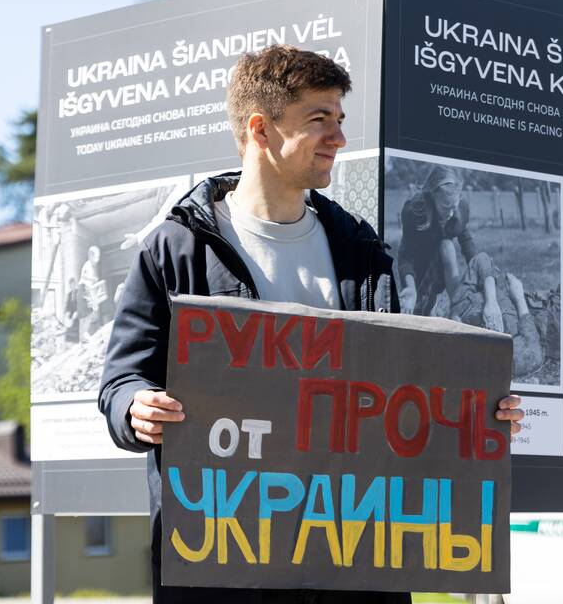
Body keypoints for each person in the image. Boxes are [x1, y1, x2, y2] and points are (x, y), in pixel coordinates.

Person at [97, 45, 523, 604]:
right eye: (319, 120)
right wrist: (136, 407)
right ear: (261, 129)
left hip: (353, 564)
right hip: (226, 566)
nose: (338, 138)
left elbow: (396, 394)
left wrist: (477, 416)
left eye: (340, 120)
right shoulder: (177, 248)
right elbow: (121, 381)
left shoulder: (364, 253)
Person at [438, 242, 543, 379]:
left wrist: (454, 324)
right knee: (480, 262)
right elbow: (533, 348)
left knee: (448, 249)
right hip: (495, 299)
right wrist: (512, 298)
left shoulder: (472, 360)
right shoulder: (522, 355)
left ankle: (452, 270)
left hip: (464, 305)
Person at [396, 165, 477, 316]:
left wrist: (479, 270)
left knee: (447, 246)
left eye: (454, 206)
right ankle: (427, 305)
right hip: (420, 256)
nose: (450, 213)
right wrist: (411, 288)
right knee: (416, 311)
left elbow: (467, 242)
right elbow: (406, 256)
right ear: (432, 196)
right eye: (445, 207)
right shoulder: (414, 211)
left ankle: (457, 309)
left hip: (443, 259)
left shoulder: (461, 210)